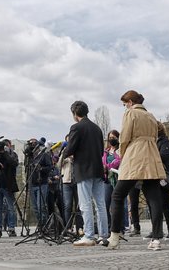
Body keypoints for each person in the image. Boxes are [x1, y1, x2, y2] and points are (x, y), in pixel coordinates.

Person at [108, 90, 165, 251]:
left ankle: (114, 235)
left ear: (130, 102)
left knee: (118, 195)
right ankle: (156, 238)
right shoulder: (151, 116)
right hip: (151, 154)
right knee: (153, 197)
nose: (124, 106)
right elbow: (154, 137)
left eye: (125, 103)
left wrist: (124, 154)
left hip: (135, 154)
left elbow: (124, 137)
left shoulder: (130, 114)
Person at [63, 101, 108, 247]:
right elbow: (101, 151)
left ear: (75, 114)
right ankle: (103, 235)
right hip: (98, 169)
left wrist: (68, 154)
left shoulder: (76, 127)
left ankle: (89, 235)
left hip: (83, 169)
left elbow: (69, 149)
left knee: (85, 204)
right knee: (100, 204)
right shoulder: (97, 129)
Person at [103, 130, 129, 236]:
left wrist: (108, 166)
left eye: (114, 137)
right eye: (110, 137)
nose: (111, 139)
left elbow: (119, 161)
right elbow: (103, 162)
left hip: (118, 178)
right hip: (107, 179)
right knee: (105, 204)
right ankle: (110, 226)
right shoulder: (105, 151)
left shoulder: (120, 150)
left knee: (118, 204)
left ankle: (120, 227)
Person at [0, 139, 19, 237]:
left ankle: (11, 228)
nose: (4, 148)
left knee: (10, 207)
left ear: (10, 146)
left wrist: (5, 154)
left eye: (6, 145)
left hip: (8, 184)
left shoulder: (13, 155)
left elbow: (14, 163)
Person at [156, 122, 169, 239]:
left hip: (163, 175)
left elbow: (165, 155)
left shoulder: (164, 141)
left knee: (165, 203)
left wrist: (151, 155)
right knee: (154, 204)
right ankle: (157, 230)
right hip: (154, 174)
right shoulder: (153, 141)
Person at [26, 138, 52, 230]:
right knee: (35, 208)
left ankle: (45, 225)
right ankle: (41, 225)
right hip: (32, 184)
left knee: (41, 206)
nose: (32, 145)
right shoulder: (30, 157)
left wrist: (41, 169)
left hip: (42, 184)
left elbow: (50, 167)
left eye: (34, 143)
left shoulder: (44, 155)